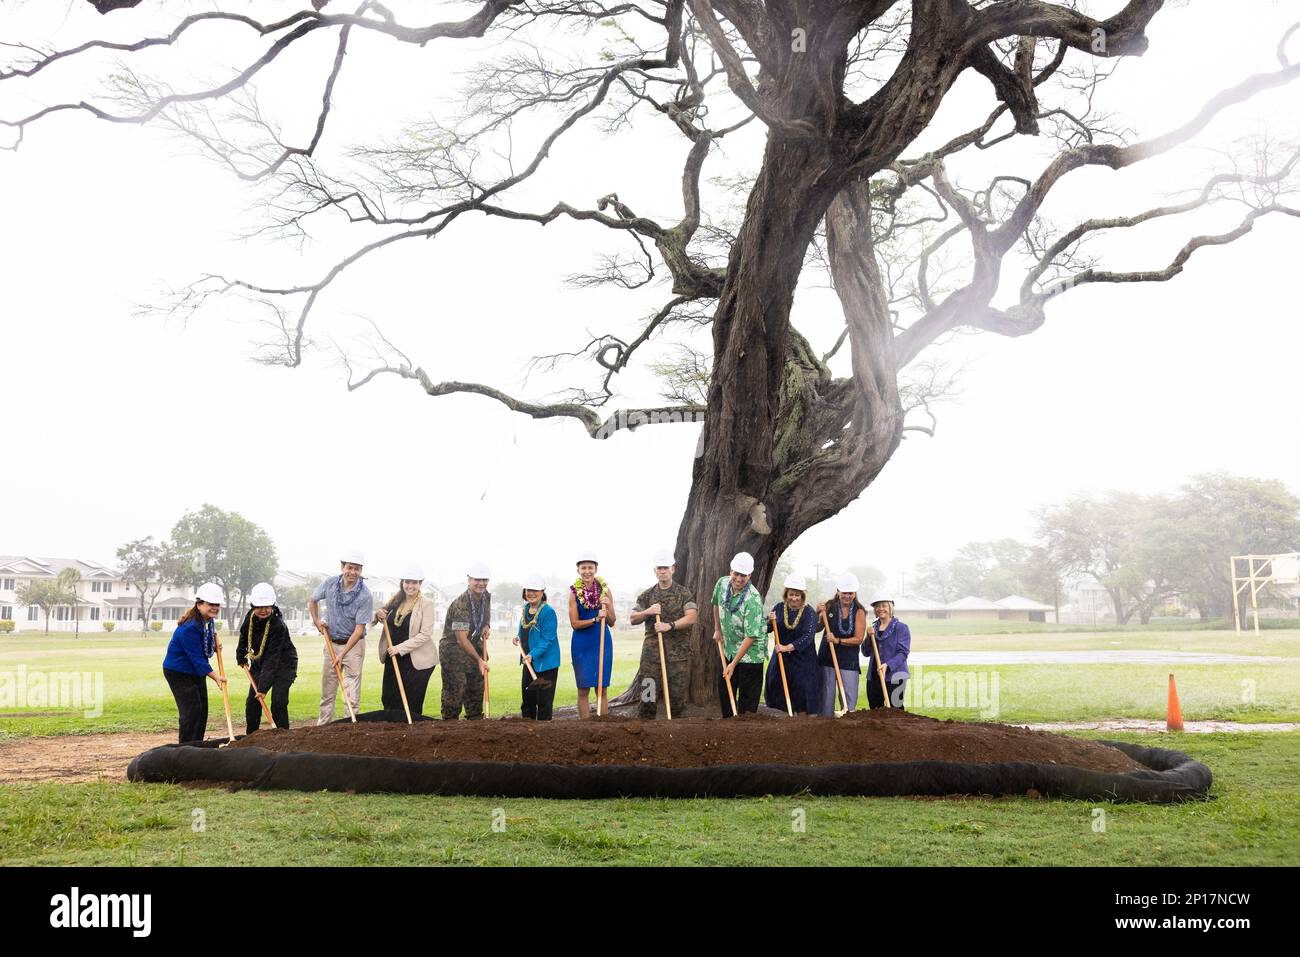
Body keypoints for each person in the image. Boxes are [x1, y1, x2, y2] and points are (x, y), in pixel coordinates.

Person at [629, 550, 697, 719]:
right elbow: (633, 618)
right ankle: (645, 730)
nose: (662, 571)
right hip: (652, 657)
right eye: (659, 568)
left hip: (678, 656)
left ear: (673, 569)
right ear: (655, 571)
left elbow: (691, 617)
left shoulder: (683, 593)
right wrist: (648, 611)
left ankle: (677, 733)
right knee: (647, 696)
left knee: (678, 700)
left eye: (665, 568)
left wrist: (669, 626)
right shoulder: (647, 595)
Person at [309, 549, 374, 724]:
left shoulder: (365, 595)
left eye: (357, 569)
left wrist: (342, 654)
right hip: (331, 643)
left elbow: (359, 630)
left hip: (354, 646)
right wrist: (316, 622)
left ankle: (349, 730)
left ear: (361, 571)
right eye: (350, 568)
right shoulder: (329, 583)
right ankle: (323, 728)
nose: (353, 572)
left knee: (351, 697)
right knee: (327, 693)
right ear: (342, 567)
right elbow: (312, 599)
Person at [161, 582, 227, 743]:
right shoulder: (189, 627)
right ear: (199, 604)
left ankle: (196, 746)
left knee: (202, 709)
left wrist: (214, 643)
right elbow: (197, 659)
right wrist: (216, 677)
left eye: (217, 605)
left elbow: (206, 641)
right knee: (191, 710)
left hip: (194, 671)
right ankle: (185, 749)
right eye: (211, 604)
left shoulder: (208, 621)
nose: (215, 608)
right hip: (178, 672)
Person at [374, 565, 437, 717]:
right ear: (402, 583)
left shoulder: (426, 604)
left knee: (411, 702)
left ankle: (412, 735)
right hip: (393, 657)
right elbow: (378, 620)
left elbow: (425, 634)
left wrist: (400, 648)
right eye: (407, 582)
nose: (410, 586)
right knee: (389, 698)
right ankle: (393, 733)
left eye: (414, 582)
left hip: (416, 661)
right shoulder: (395, 601)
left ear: (420, 584)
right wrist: (378, 615)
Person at [235, 582, 297, 732]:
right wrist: (241, 655)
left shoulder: (278, 625)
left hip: (284, 665)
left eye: (267, 607)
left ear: (273, 605)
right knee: (252, 703)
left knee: (278, 702)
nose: (263, 610)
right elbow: (244, 637)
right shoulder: (250, 617)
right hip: (260, 663)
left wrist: (262, 688)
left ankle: (282, 736)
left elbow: (272, 658)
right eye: (259, 607)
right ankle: (252, 737)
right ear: (252, 606)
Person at [710, 552, 767, 716]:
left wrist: (733, 664)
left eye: (743, 575)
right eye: (736, 574)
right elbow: (715, 604)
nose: (739, 579)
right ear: (730, 572)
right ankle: (728, 727)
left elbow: (751, 636)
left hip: (750, 654)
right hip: (728, 647)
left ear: (749, 575)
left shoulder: (753, 599)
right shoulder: (722, 584)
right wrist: (717, 629)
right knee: (725, 690)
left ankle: (746, 734)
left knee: (747, 706)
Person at [441, 563, 492, 720]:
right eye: (477, 580)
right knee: (455, 690)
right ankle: (450, 723)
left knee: (476, 688)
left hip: (473, 645)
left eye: (484, 580)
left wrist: (486, 625)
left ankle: (475, 721)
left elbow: (485, 616)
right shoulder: (461, 605)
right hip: (453, 649)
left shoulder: (486, 596)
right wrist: (479, 660)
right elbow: (461, 640)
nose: (481, 583)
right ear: (469, 580)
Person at [763, 574, 819, 715]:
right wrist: (769, 621)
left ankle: (801, 722)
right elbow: (766, 628)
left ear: (802, 596)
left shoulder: (810, 613)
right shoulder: (779, 608)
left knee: (802, 693)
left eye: (797, 595)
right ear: (786, 594)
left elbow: (807, 637)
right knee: (776, 686)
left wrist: (787, 647)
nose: (794, 598)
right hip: (782, 659)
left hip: (803, 661)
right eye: (791, 594)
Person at [569, 551, 616, 718]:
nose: (587, 571)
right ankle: (585, 726)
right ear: (578, 570)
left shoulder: (605, 590)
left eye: (590, 567)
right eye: (583, 568)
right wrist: (596, 619)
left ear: (596, 569)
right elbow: (574, 624)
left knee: (601, 687)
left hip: (602, 641)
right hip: (582, 643)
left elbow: (611, 621)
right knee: (583, 689)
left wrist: (608, 606)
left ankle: (602, 725)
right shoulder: (574, 592)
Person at [816, 573, 866, 713]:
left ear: (854, 594)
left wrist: (838, 640)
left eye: (850, 593)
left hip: (848, 661)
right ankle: (826, 729)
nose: (847, 596)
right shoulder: (829, 606)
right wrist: (817, 613)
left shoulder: (859, 611)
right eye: (844, 592)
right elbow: (816, 628)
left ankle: (848, 730)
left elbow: (858, 639)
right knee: (826, 701)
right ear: (838, 591)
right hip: (827, 659)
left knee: (848, 704)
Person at [515, 575, 560, 720]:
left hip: (546, 664)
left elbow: (547, 639)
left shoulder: (548, 612)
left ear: (542, 592)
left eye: (536, 590)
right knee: (527, 701)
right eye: (529, 590)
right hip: (528, 662)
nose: (531, 593)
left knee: (544, 702)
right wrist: (518, 638)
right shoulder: (525, 609)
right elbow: (524, 630)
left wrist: (532, 654)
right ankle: (528, 733)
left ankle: (544, 734)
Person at [865, 596, 912, 710]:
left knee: (896, 710)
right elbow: (866, 652)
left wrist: (888, 665)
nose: (880, 609)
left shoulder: (901, 628)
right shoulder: (873, 629)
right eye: (877, 606)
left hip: (895, 675)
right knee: (875, 710)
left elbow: (903, 653)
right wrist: (867, 637)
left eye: (884, 605)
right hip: (874, 675)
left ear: (890, 608)